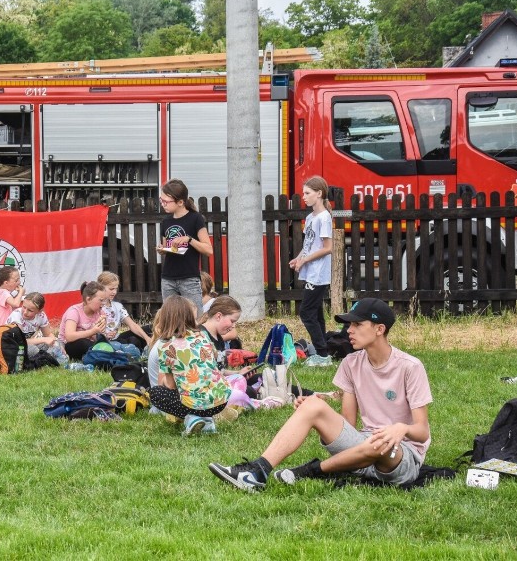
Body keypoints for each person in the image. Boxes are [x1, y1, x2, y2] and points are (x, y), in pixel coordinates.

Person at [208, 298, 432, 491]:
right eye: (349, 325)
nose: (349, 331)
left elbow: (421, 433)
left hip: (400, 457)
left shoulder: (410, 367)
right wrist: (315, 410)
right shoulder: (350, 363)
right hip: (363, 446)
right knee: (313, 405)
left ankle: (312, 470)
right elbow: (348, 426)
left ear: (379, 329)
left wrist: (401, 428)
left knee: (382, 443)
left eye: (356, 324)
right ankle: (259, 470)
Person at [148, 296, 232, 435]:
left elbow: (170, 385)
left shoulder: (165, 345)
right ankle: (207, 422)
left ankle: (192, 418)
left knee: (157, 393)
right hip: (221, 399)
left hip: (195, 404)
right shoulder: (202, 336)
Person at [290, 176, 334, 367]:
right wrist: (299, 258)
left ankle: (322, 355)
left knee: (306, 312)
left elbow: (327, 248)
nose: (304, 197)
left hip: (319, 273)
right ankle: (322, 349)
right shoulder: (310, 218)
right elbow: (309, 244)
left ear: (319, 194)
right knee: (315, 313)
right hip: (310, 271)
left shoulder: (324, 218)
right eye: (303, 193)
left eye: (307, 193)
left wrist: (305, 260)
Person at [156, 179, 212, 316]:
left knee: (195, 317)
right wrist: (161, 249)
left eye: (166, 201)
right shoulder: (166, 221)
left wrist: (189, 239)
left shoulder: (195, 219)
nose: (163, 204)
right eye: (161, 200)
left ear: (180, 202)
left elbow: (208, 250)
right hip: (168, 277)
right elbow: (166, 247)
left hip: (189, 277)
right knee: (170, 318)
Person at [96, 271, 151, 356]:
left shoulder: (118, 306)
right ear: (101, 288)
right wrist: (105, 335)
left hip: (117, 338)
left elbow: (133, 325)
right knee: (132, 341)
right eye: (111, 289)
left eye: (116, 289)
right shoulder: (96, 306)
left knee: (149, 329)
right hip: (101, 341)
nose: (114, 292)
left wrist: (147, 339)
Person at [5, 292, 68, 365]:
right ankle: (47, 358)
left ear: (39, 311)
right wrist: (44, 339)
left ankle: (49, 356)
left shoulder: (41, 315)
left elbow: (48, 334)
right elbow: (20, 342)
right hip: (13, 346)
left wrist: (56, 345)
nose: (25, 312)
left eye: (30, 310)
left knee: (57, 343)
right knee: (33, 350)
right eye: (24, 307)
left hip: (30, 344)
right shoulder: (16, 316)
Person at [58, 281, 108, 360]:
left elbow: (97, 339)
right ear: (88, 299)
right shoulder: (74, 311)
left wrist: (100, 331)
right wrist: (93, 331)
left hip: (89, 344)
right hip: (69, 345)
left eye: (105, 300)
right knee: (84, 343)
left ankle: (102, 354)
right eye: (101, 300)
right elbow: (69, 337)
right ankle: (102, 354)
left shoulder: (100, 313)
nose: (103, 303)